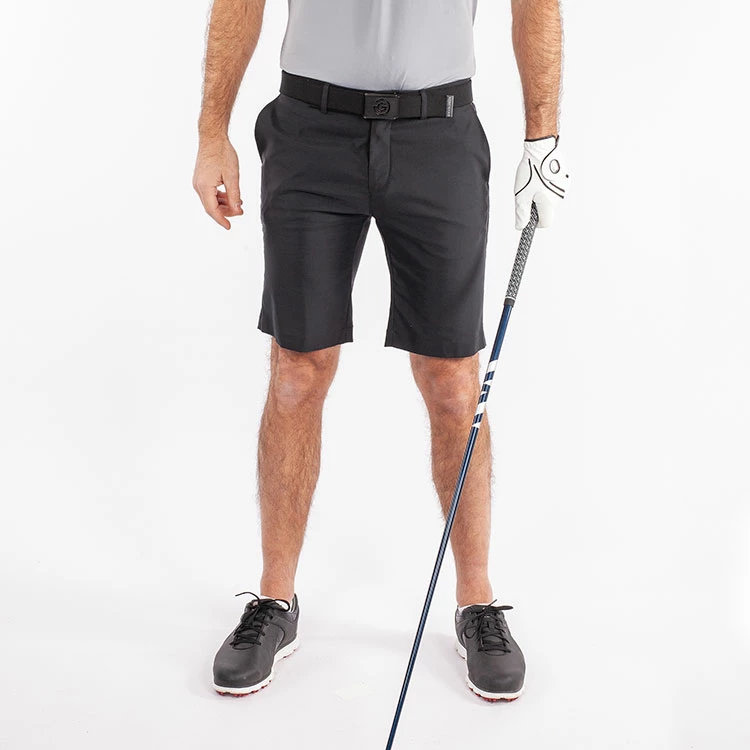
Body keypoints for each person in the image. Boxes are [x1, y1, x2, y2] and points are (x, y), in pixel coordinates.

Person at [192, 0, 569, 702]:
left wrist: (541, 137)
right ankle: (275, 600)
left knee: (454, 381)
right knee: (297, 371)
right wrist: (213, 131)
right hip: (310, 130)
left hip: (439, 133)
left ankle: (477, 603)